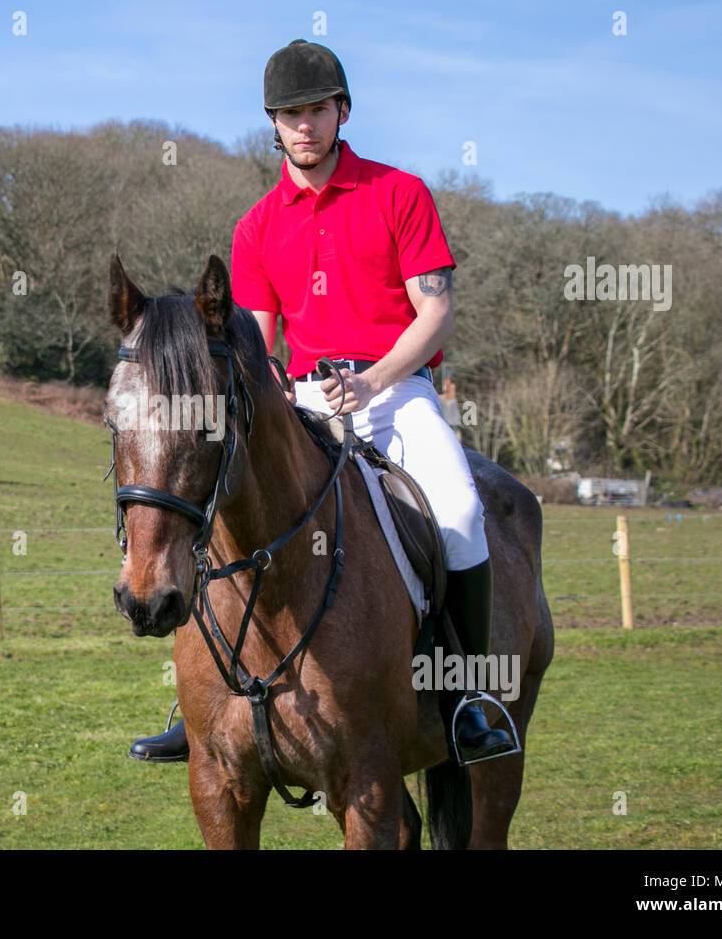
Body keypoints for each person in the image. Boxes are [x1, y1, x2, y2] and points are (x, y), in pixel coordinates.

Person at [129, 39, 513, 765]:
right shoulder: (256, 227)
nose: (303, 126)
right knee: (219, 513)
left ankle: (469, 696)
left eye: (315, 110)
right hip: (299, 401)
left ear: (341, 111)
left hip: (396, 392)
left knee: (460, 511)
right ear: (272, 123)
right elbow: (259, 343)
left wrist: (373, 381)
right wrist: (277, 396)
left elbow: (435, 314)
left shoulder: (399, 193)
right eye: (288, 114)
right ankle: (199, 699)